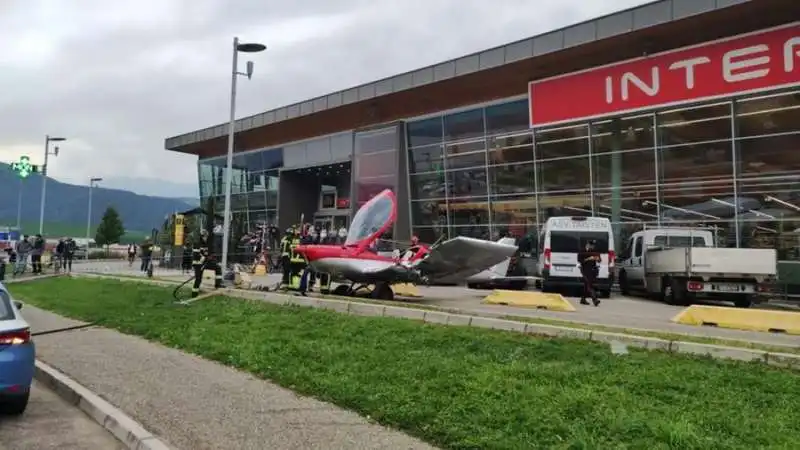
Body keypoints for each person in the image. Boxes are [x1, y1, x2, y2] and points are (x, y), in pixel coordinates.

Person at [190, 230, 222, 298]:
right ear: (201, 236)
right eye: (205, 237)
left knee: (218, 267)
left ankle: (218, 285)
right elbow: (196, 255)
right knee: (198, 279)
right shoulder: (197, 243)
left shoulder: (205, 244)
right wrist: (205, 258)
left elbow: (206, 254)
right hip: (198, 264)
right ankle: (194, 294)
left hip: (205, 263)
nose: (206, 238)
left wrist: (211, 258)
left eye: (206, 237)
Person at [577, 240, 601, 307]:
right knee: (588, 284)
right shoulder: (582, 251)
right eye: (592, 245)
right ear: (588, 245)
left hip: (592, 270)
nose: (593, 247)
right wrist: (588, 259)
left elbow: (599, 259)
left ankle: (583, 299)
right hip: (584, 270)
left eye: (593, 246)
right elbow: (579, 260)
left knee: (586, 285)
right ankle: (595, 300)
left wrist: (596, 258)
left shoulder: (594, 251)